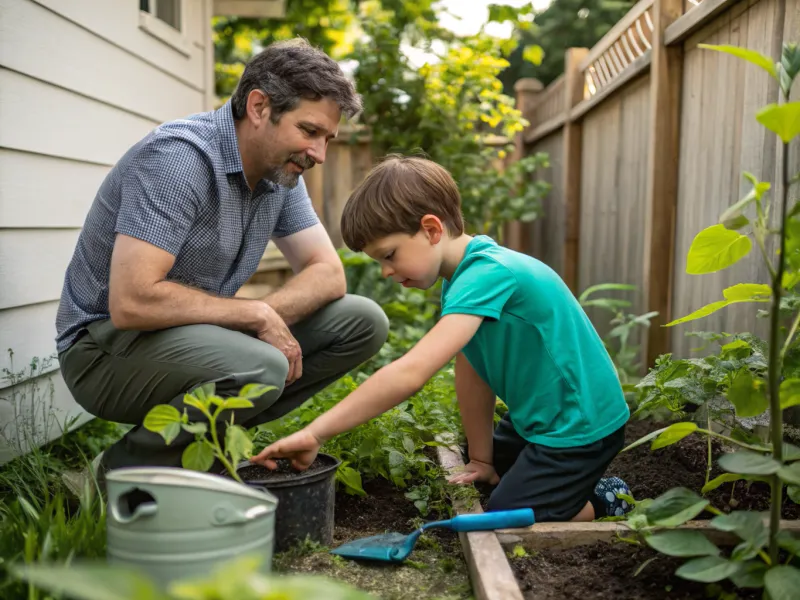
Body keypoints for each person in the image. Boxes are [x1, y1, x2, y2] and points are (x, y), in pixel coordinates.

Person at [55, 38, 389, 477]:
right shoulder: (179, 160)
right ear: (258, 107)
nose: (319, 154)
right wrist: (251, 317)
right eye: (309, 131)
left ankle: (203, 445)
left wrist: (261, 315)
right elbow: (132, 301)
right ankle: (113, 478)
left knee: (361, 320)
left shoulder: (279, 174)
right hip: (103, 350)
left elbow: (327, 274)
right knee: (261, 364)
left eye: (327, 138)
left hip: (180, 338)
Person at [250, 155, 632, 522]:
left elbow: (410, 373)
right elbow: (472, 370)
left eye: (389, 255)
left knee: (505, 515)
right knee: (489, 474)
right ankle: (562, 486)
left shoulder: (488, 274)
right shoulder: (462, 279)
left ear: (431, 230)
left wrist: (316, 431)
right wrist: (482, 459)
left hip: (578, 425)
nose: (385, 272)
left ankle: (605, 500)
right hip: (541, 417)